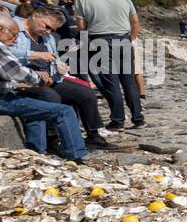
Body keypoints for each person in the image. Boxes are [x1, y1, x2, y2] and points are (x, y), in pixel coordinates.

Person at [0, 11, 87, 162]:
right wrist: (40, 80)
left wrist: (18, 84)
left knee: (38, 111)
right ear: (0, 29)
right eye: (14, 35)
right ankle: (77, 155)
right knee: (64, 111)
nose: (15, 40)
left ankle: (37, 154)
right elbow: (16, 71)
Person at [12, 8, 115, 150]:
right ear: (35, 15)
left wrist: (59, 67)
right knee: (50, 96)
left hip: (50, 78)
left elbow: (54, 57)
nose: (48, 31)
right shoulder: (13, 28)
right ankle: (54, 140)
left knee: (86, 93)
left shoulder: (47, 37)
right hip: (25, 81)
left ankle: (94, 135)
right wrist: (33, 54)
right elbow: (3, 53)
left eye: (52, 29)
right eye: (46, 26)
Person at [74, 0, 144, 130]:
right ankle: (138, 118)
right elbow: (135, 21)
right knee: (129, 82)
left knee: (110, 83)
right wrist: (131, 38)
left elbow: (81, 25)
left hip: (100, 40)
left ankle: (118, 120)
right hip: (123, 39)